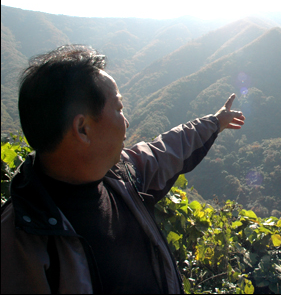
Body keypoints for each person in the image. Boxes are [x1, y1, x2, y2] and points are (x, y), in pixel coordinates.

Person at [1, 44, 245, 294]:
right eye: (118, 108)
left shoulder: (122, 175)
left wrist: (215, 122)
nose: (126, 121)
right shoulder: (19, 243)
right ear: (83, 129)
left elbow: (167, 150)